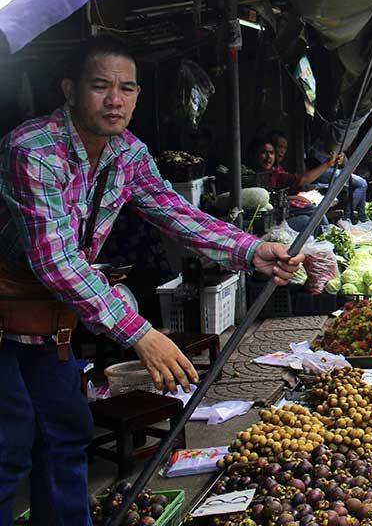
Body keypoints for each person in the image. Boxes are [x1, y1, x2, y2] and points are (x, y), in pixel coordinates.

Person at [0, 37, 301, 525]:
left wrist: (252, 251)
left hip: (48, 322)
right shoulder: (32, 150)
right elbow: (55, 261)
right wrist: (141, 333)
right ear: (70, 90)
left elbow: (177, 214)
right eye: (100, 86)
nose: (114, 99)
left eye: (126, 88)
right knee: (9, 444)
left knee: (65, 433)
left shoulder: (127, 151)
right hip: (9, 311)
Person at [247, 135, 342, 233]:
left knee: (315, 212)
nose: (268, 157)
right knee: (307, 219)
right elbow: (303, 179)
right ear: (255, 155)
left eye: (271, 153)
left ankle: (327, 238)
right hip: (267, 226)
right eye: (263, 152)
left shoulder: (275, 172)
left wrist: (292, 197)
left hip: (280, 215)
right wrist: (328, 164)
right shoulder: (249, 178)